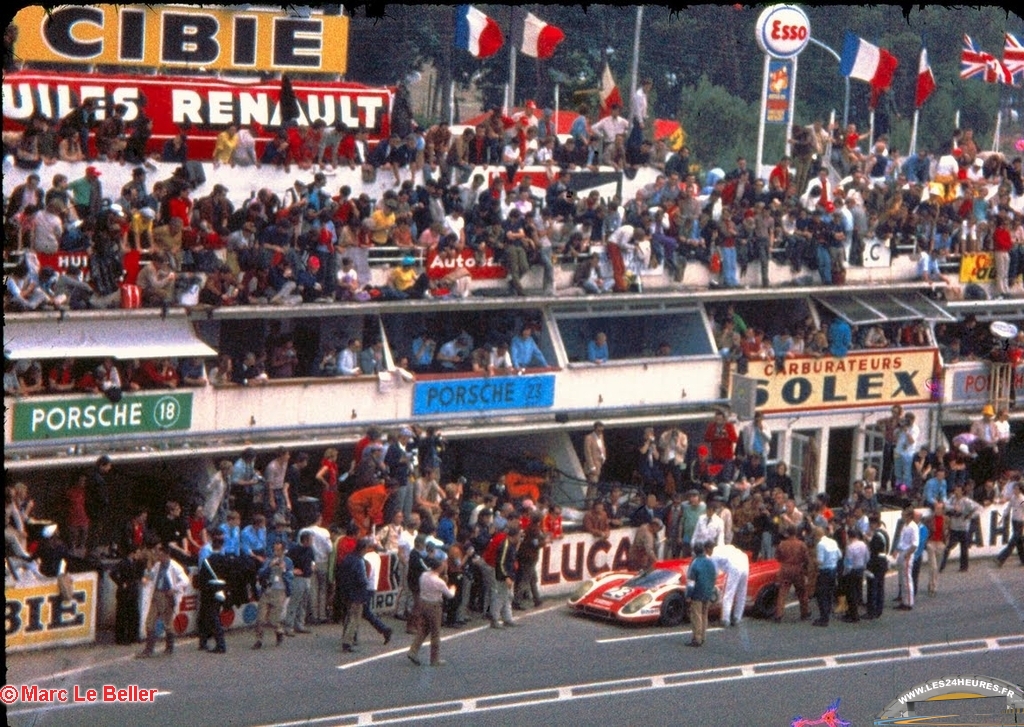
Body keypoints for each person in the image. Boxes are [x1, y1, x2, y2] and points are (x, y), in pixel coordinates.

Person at [137, 542, 189, 658]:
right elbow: (151, 574)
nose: (158, 557)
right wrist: (146, 577)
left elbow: (185, 580)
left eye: (160, 555)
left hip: (167, 596)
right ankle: (149, 649)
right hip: (157, 595)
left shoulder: (175, 566)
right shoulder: (157, 565)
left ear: (166, 555)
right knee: (150, 622)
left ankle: (169, 646)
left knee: (167, 623)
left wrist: (174, 589)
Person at [407, 556, 456, 666]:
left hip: (423, 602)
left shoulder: (424, 576)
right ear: (438, 568)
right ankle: (434, 659)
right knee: (435, 632)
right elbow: (449, 595)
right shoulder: (438, 582)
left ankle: (413, 650)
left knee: (424, 629)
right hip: (434, 605)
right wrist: (452, 588)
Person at [252, 540, 292, 649]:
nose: (276, 552)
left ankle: (279, 631)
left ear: (283, 550)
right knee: (260, 617)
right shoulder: (269, 560)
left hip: (280, 591)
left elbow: (290, 577)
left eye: (278, 550)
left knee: (274, 619)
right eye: (275, 550)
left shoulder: (288, 561)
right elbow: (261, 573)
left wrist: (284, 570)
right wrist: (269, 566)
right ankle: (258, 640)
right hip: (268, 590)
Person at [337, 537, 373, 653]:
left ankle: (345, 637)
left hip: (346, 590)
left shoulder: (348, 558)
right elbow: (362, 579)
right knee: (355, 618)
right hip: (357, 592)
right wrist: (366, 583)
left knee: (348, 616)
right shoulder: (359, 561)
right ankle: (348, 641)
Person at [706, 541, 749, 627]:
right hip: (744, 561)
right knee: (741, 593)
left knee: (729, 593)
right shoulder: (721, 548)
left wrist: (710, 585)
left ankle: (725, 619)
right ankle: (737, 617)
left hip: (734, 566)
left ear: (708, 549)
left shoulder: (714, 555)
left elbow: (715, 573)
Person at [774, 525, 810, 622]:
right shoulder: (801, 544)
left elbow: (777, 557)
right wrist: (806, 569)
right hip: (797, 569)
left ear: (787, 533)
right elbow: (806, 558)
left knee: (783, 592)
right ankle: (804, 613)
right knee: (802, 592)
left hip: (785, 568)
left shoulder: (782, 544)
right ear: (796, 533)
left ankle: (779, 614)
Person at [940, 484, 979, 572]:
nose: (956, 492)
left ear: (962, 491)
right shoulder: (952, 499)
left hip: (963, 528)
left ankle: (964, 567)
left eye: (958, 490)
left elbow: (977, 508)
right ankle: (941, 565)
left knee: (964, 548)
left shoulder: (966, 501)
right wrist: (953, 507)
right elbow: (945, 505)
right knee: (948, 547)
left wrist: (970, 516)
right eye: (955, 490)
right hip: (954, 527)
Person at [685, 541, 717, 647]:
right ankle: (703, 636)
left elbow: (691, 582)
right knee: (704, 615)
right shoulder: (710, 562)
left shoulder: (695, 563)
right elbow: (714, 577)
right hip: (708, 592)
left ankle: (696, 638)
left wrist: (688, 595)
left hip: (697, 593)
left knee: (696, 615)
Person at [284, 530, 315, 635]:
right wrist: (292, 570)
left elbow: (312, 560)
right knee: (295, 602)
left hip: (307, 577)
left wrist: (312, 566)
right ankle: (289, 626)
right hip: (298, 578)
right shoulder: (294, 550)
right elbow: (286, 562)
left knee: (303, 602)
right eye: (310, 540)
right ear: (305, 540)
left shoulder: (310, 550)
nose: (312, 542)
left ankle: (300, 624)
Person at [812, 526, 841, 626]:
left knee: (821, 594)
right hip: (833, 569)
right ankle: (828, 613)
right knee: (829, 593)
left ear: (817, 535)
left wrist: (814, 561)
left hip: (824, 571)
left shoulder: (820, 544)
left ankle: (824, 618)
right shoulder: (833, 542)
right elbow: (839, 555)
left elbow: (820, 561)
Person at [864, 513, 889, 619]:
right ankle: (879, 609)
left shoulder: (877, 535)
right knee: (880, 586)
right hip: (883, 561)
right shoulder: (885, 533)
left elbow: (874, 550)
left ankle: (872, 610)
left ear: (874, 524)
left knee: (872, 587)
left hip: (876, 562)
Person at [840, 528, 868, 623]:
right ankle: (855, 613)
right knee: (857, 591)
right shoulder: (863, 544)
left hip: (852, 571)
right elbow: (867, 557)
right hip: (860, 569)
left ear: (849, 536)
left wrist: (844, 572)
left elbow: (848, 562)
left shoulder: (850, 547)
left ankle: (852, 615)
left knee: (850, 594)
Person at [894, 506, 919, 611]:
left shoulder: (913, 527)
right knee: (902, 578)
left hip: (907, 553)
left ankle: (909, 602)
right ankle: (904, 600)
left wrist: (908, 554)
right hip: (903, 551)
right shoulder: (905, 525)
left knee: (906, 579)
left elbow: (915, 544)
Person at [996, 481, 1024, 567]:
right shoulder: (1013, 498)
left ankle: (1001, 558)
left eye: (1016, 489)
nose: (1014, 490)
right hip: (1014, 521)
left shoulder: (1022, 499)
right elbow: (1008, 508)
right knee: (1018, 542)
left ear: (1020, 490)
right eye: (1014, 488)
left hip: (1020, 522)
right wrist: (1002, 517)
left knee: (1013, 542)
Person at [583, 421, 606, 501]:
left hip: (599, 464)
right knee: (593, 484)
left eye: (601, 430)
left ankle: (590, 503)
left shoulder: (601, 437)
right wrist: (592, 466)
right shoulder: (589, 437)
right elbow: (587, 452)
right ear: (595, 429)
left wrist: (604, 456)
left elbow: (602, 447)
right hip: (592, 466)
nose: (600, 432)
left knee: (593, 487)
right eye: (599, 430)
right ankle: (589, 504)